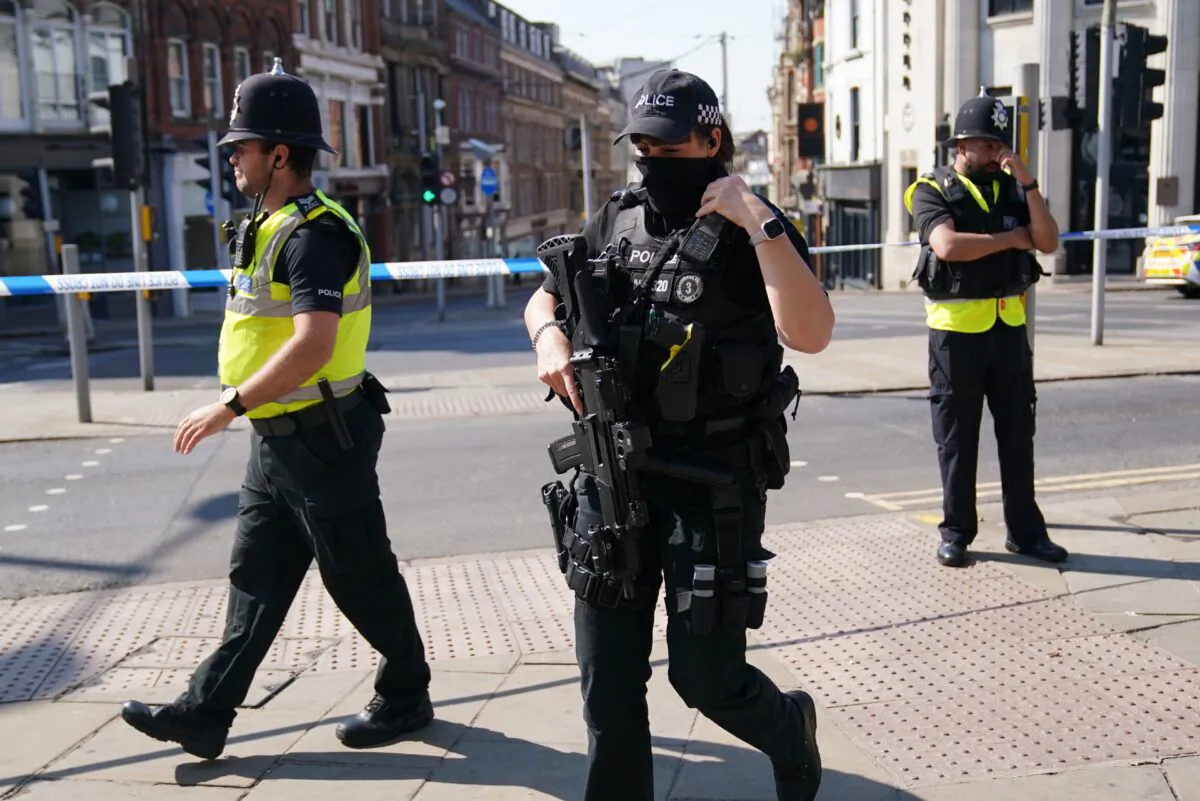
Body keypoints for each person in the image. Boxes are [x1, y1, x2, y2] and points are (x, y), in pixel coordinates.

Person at [525, 69, 834, 801]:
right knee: (608, 689)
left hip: (711, 482)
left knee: (707, 678)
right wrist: (547, 339)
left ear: (711, 140)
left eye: (669, 145)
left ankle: (790, 729)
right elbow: (546, 296)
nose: (653, 159)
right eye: (642, 145)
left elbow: (811, 332)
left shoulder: (754, 228)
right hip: (614, 476)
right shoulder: (618, 215)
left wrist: (756, 219)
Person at [119, 59, 433, 759]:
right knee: (255, 578)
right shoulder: (269, 223)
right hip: (278, 436)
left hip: (324, 437)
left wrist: (227, 404)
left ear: (279, 155)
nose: (231, 157)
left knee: (358, 574)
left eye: (243, 147)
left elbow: (313, 345)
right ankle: (205, 713)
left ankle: (407, 692)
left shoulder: (314, 236)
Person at [904, 89, 1069, 568]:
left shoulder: (1015, 189)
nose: (997, 153)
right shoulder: (929, 189)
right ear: (961, 146)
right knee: (958, 440)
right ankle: (957, 532)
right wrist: (1012, 238)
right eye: (987, 145)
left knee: (1018, 436)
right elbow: (949, 245)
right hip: (955, 337)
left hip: (1008, 331)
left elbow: (1048, 241)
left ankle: (1026, 532)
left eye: (1001, 145)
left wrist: (1030, 185)